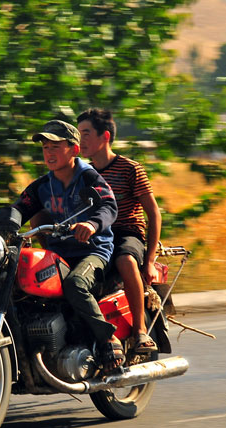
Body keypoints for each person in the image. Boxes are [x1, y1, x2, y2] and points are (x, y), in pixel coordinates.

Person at [0, 119, 124, 370]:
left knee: (75, 283)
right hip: (60, 252)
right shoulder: (42, 186)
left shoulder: (88, 177)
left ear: (74, 149)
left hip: (93, 250)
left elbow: (108, 206)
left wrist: (92, 225)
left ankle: (107, 338)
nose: (49, 153)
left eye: (55, 147)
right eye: (45, 147)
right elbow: (17, 211)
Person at [76, 108, 162, 354]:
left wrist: (150, 260)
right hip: (97, 234)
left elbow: (154, 213)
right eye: (78, 134)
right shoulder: (83, 173)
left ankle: (140, 331)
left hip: (127, 232)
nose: (81, 140)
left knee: (125, 260)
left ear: (105, 136)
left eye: (86, 133)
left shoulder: (130, 168)